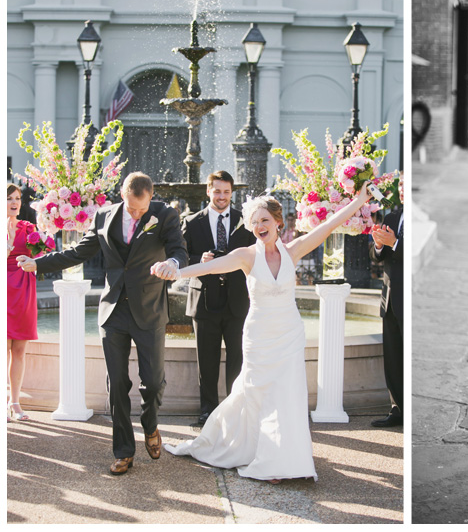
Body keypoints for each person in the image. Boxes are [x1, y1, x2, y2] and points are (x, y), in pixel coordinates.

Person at [151, 183, 378, 483]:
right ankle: (248, 448)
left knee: (287, 396)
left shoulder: (293, 251)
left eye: (265, 221)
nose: (259, 226)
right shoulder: (246, 255)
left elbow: (328, 225)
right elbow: (210, 268)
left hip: (290, 334)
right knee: (255, 395)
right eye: (255, 221)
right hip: (259, 336)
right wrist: (176, 271)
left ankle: (282, 459)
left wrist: (360, 200)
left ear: (278, 223)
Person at [18, 172, 187, 475]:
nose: (137, 214)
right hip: (113, 313)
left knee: (154, 383)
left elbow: (179, 250)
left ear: (150, 198)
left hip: (149, 310)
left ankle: (150, 425)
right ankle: (123, 451)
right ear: (123, 194)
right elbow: (77, 253)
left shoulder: (164, 215)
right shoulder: (103, 216)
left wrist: (171, 264)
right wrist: (38, 264)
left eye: (142, 209)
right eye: (132, 208)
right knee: (117, 384)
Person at [181, 171, 256, 427]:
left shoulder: (245, 221)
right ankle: (208, 412)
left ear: (231, 193)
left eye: (226, 192)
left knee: (237, 358)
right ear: (208, 191)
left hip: (237, 301)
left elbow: (256, 254)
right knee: (207, 361)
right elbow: (180, 256)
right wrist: (198, 261)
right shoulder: (192, 222)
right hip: (203, 301)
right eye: (217, 191)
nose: (221, 196)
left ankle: (235, 412)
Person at [369, 200, 404, 428]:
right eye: (401, 184)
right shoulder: (392, 217)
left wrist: (396, 243)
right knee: (392, 358)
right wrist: (379, 245)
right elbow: (377, 257)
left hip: (407, 298)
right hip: (390, 299)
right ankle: (396, 409)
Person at [7, 184, 38, 422]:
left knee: (19, 351)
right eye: (8, 198)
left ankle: (15, 403)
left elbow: (39, 256)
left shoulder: (28, 228)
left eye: (17, 198)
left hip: (23, 289)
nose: (14, 202)